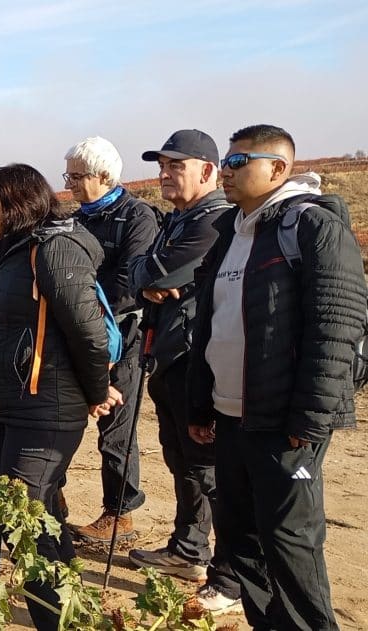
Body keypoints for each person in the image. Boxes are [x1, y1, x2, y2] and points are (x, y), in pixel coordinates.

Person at [187, 124, 365, 631]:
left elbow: (336, 325)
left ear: (279, 168)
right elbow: (210, 326)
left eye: (239, 162)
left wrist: (310, 419)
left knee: (289, 543)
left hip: (283, 422)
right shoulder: (233, 234)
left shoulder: (311, 226)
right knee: (240, 539)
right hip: (231, 418)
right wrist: (202, 405)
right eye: (226, 161)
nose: (226, 170)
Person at [0, 163, 122, 631]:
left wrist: (96, 391)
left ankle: (55, 623)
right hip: (11, 404)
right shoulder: (12, 251)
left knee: (24, 525)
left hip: (44, 408)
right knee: (43, 516)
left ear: (15, 204)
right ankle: (72, 615)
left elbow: (88, 333)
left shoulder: (54, 251)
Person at [125, 130, 242, 613]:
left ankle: (230, 577)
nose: (165, 174)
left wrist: (149, 278)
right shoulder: (180, 220)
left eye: (177, 165)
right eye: (163, 165)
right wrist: (148, 279)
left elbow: (155, 274)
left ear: (208, 171)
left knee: (212, 468)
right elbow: (141, 272)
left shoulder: (214, 220)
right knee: (182, 460)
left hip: (200, 359)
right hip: (171, 353)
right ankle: (187, 550)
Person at [62, 136, 158, 544]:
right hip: (75, 333)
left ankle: (120, 512)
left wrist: (89, 316)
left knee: (116, 427)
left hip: (123, 335)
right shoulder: (74, 219)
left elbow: (128, 283)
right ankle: (51, 497)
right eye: (68, 176)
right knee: (61, 414)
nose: (71, 184)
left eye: (77, 177)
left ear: (104, 176)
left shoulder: (138, 218)